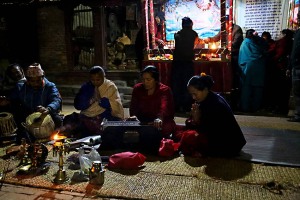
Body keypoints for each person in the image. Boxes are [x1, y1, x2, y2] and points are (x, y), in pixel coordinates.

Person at [179, 73, 246, 157]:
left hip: (228, 144)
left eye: (195, 94)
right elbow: (191, 123)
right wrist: (194, 120)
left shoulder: (215, 104)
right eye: (191, 94)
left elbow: (212, 132)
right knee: (180, 131)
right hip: (216, 137)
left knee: (189, 136)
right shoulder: (205, 99)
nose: (193, 97)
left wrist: (197, 121)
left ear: (205, 89)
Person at [0, 62, 63, 143]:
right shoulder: (21, 87)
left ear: (43, 77)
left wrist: (48, 108)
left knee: (57, 119)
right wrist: (6, 101)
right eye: (32, 81)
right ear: (27, 80)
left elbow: (56, 100)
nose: (36, 83)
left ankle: (54, 138)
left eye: (38, 80)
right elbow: (13, 98)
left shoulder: (50, 86)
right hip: (29, 114)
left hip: (46, 113)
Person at [61, 66, 124, 137]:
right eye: (93, 80)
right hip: (87, 116)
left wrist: (100, 100)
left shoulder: (110, 87)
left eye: (98, 80)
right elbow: (78, 105)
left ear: (104, 77)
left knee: (112, 126)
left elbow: (115, 105)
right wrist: (90, 101)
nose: (95, 82)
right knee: (70, 120)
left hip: (104, 115)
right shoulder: (87, 87)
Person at [129, 65, 176, 138]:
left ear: (156, 79)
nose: (145, 82)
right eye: (143, 79)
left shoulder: (164, 90)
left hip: (160, 120)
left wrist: (160, 117)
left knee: (163, 129)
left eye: (148, 80)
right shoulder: (138, 88)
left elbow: (164, 106)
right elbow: (133, 105)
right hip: (143, 119)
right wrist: (134, 116)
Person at [171, 17, 200, 112]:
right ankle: (186, 106)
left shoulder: (177, 34)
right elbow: (197, 46)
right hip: (187, 62)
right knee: (187, 84)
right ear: (191, 25)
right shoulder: (194, 34)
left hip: (177, 63)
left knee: (177, 84)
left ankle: (176, 106)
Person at [238, 29, 267, 112]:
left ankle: (245, 107)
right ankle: (255, 107)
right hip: (259, 67)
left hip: (247, 68)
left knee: (246, 88)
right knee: (257, 88)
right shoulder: (256, 43)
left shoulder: (245, 43)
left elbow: (242, 57)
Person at [288, 12, 300, 122]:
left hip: (298, 65)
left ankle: (298, 115)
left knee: (297, 91)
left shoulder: (298, 33)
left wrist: (291, 64)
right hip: (296, 65)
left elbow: (295, 51)